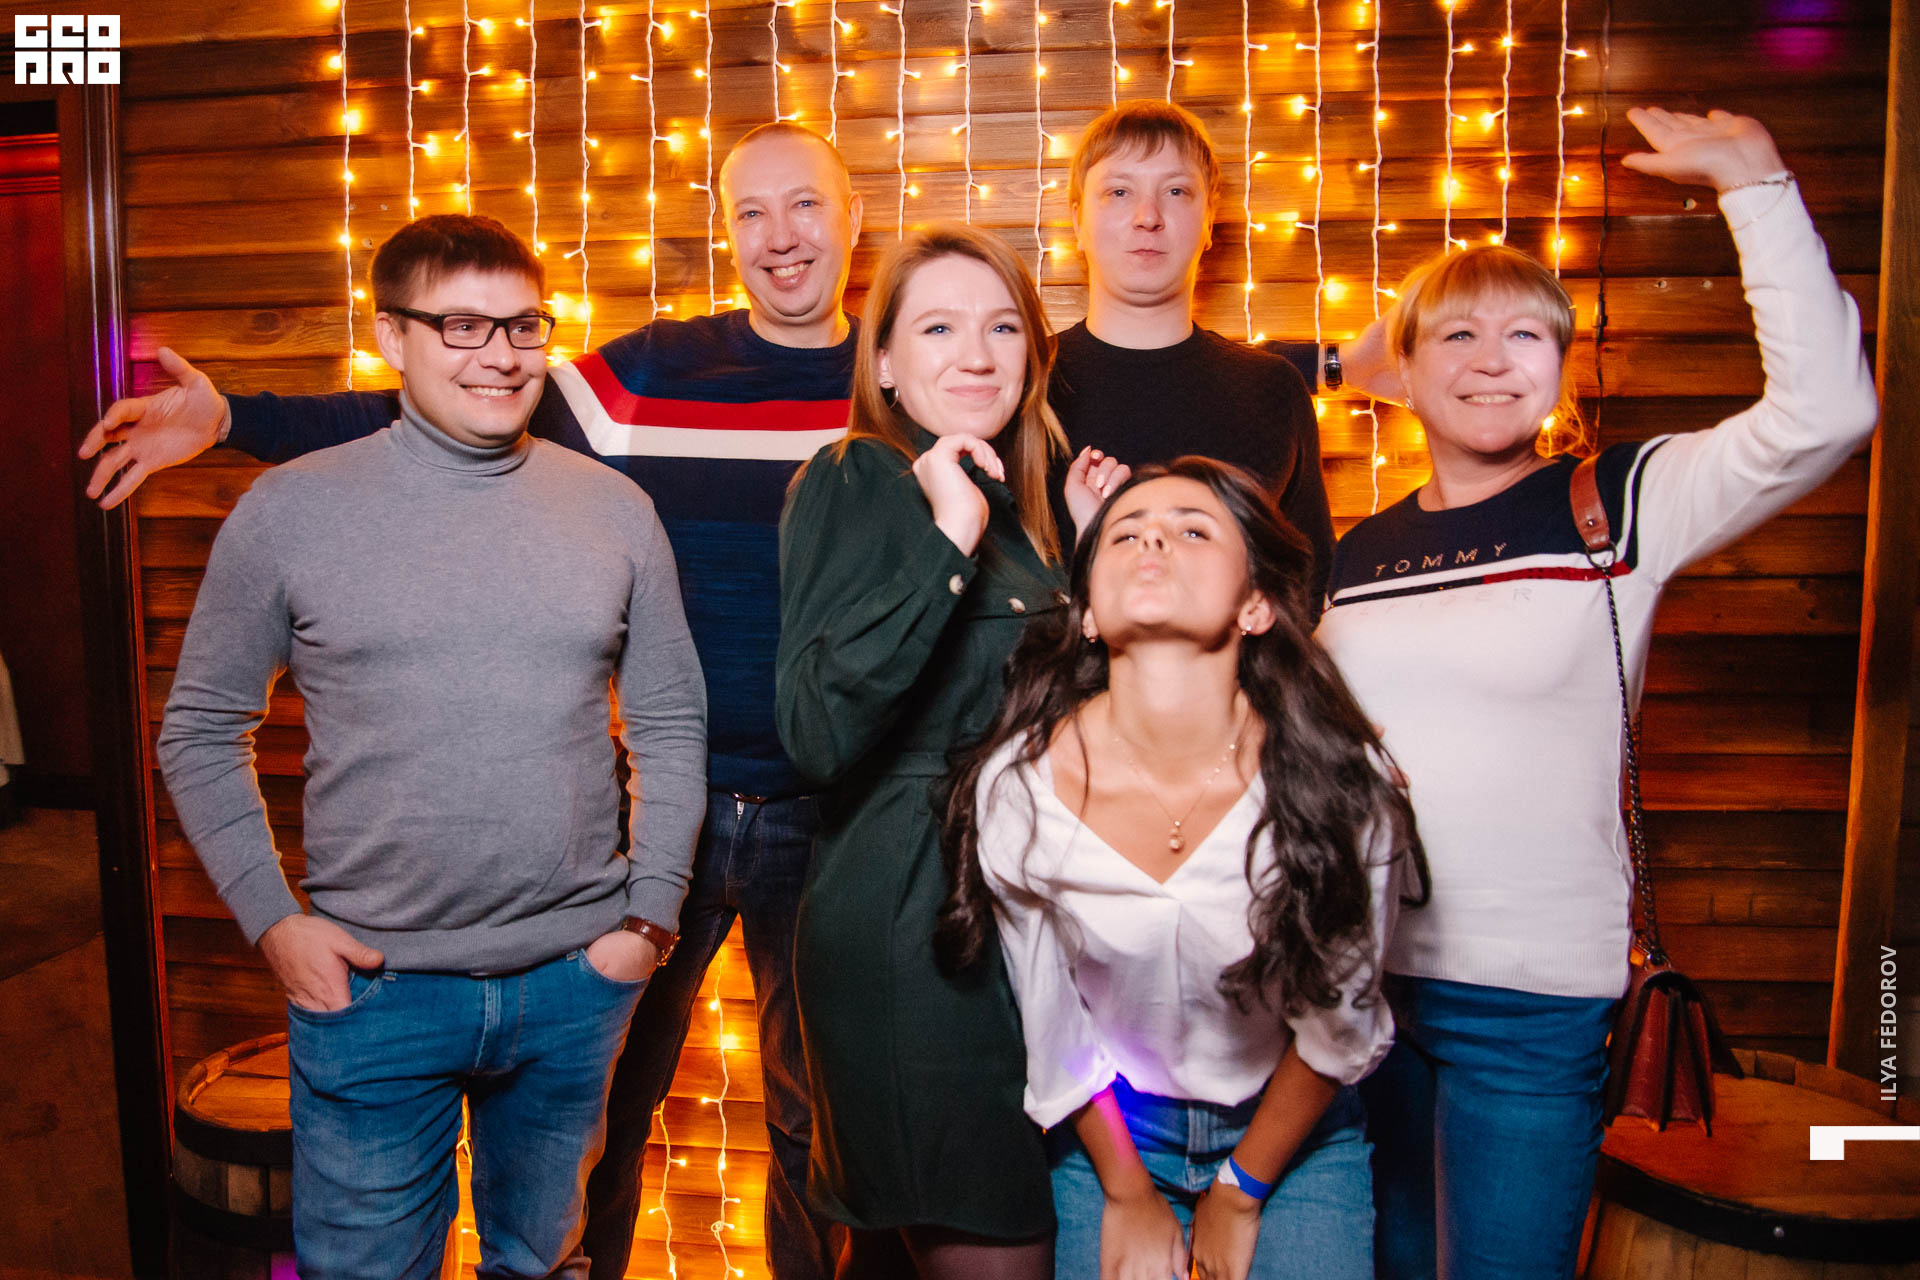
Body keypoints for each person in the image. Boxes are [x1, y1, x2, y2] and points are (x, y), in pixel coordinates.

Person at [94, 123, 863, 1280]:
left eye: (805, 203)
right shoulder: (646, 376)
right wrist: (237, 419)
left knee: (828, 1130)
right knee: (607, 1136)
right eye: (751, 210)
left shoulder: (899, 382)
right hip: (664, 823)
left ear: (853, 218)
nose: (780, 234)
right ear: (726, 229)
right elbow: (434, 409)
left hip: (833, 811)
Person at [1315, 108, 1880, 1280]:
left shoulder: (1619, 502)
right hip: (1365, 992)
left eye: (1526, 333)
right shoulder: (1355, 552)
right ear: (1402, 371)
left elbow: (1830, 412)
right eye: (1458, 335)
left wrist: (1756, 185)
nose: (1492, 359)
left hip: (1530, 1006)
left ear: (1560, 367)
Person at [154, 214, 708, 1279]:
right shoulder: (290, 509)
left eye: (523, 325)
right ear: (390, 337)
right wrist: (275, 924)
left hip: (573, 982)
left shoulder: (614, 509)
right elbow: (202, 726)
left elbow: (671, 721)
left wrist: (646, 920)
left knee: (545, 1263)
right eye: (462, 325)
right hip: (374, 990)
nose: (501, 355)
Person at [939, 458, 1426, 1280]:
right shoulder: (1019, 790)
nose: (1153, 541)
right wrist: (1126, 1189)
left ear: (1256, 604)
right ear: (1087, 614)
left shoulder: (1343, 786)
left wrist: (1240, 1191)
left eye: (1193, 530)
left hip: (1295, 1133)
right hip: (1114, 1139)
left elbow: (1339, 1026)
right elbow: (1054, 1029)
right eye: (1125, 533)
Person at [775, 223, 1127, 1279]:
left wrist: (1085, 557)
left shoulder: (1011, 509)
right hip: (916, 927)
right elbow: (816, 731)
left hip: (1005, 918)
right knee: (987, 1231)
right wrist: (951, 538)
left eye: (1002, 327)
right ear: (883, 360)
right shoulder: (861, 475)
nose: (976, 354)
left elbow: (1044, 714)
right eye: (938, 328)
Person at [1051, 100, 1386, 596]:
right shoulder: (1022, 385)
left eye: (1176, 191)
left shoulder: (1272, 389)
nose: (1148, 216)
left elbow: (1308, 593)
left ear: (1209, 220)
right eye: (1119, 191)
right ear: (1077, 221)